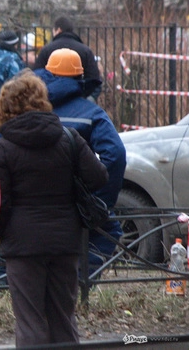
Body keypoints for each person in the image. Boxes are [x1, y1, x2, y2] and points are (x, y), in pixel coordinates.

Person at [0, 70, 108, 347]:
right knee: (63, 319)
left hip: (22, 244)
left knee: (29, 321)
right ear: (42, 100)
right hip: (65, 240)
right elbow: (99, 177)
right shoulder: (69, 138)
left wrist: (3, 231)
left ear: (5, 107)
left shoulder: (2, 148)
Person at [35, 49, 126, 274]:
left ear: (47, 74)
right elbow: (115, 154)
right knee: (107, 231)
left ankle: (6, 280)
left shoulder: (29, 110)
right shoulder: (91, 113)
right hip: (74, 198)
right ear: (80, 77)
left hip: (32, 201)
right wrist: (98, 200)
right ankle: (81, 279)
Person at [33, 16, 102, 101]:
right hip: (79, 100)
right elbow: (94, 79)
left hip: (51, 100)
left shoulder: (46, 50)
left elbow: (36, 77)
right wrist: (87, 99)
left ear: (58, 30)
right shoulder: (85, 51)